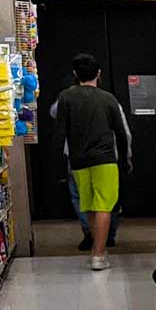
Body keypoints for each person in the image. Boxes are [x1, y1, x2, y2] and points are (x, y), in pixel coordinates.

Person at [51, 54, 132, 271]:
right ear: (99, 74)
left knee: (87, 205)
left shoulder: (66, 98)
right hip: (105, 159)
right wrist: (124, 160)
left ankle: (96, 250)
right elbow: (121, 134)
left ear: (76, 74)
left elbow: (60, 133)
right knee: (104, 206)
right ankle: (98, 254)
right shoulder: (108, 99)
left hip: (78, 161)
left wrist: (58, 163)